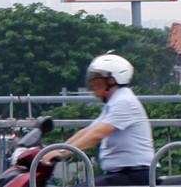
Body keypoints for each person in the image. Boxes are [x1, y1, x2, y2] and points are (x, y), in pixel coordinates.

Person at [39, 54, 153, 186]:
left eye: (96, 79)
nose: (92, 84)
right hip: (121, 175)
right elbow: (89, 130)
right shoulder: (114, 102)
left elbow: (96, 135)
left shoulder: (124, 101)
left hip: (133, 176)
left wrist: (61, 153)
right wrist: (57, 149)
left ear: (111, 80)